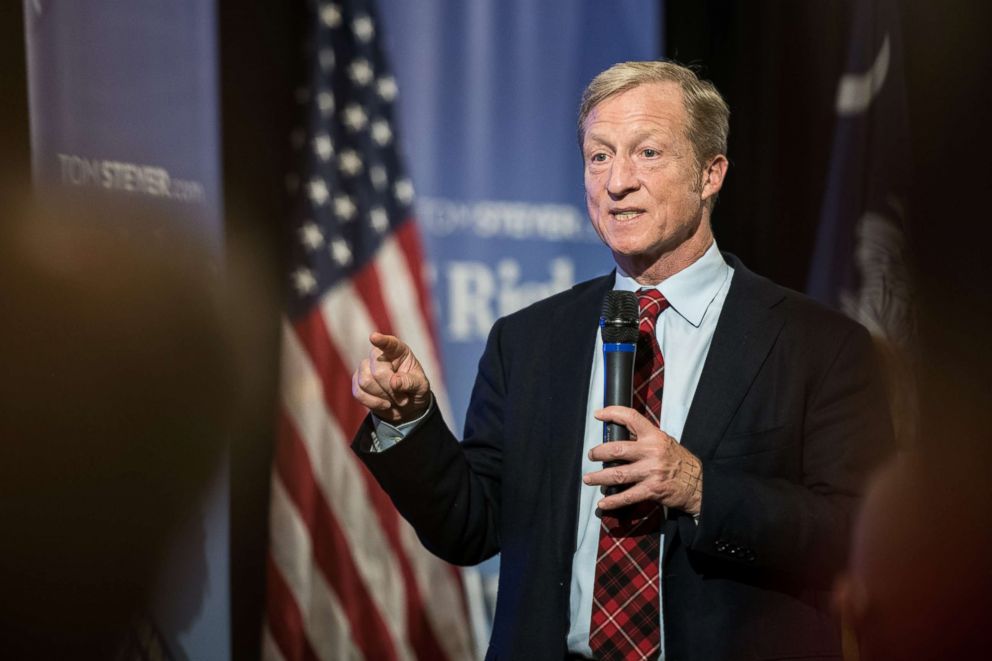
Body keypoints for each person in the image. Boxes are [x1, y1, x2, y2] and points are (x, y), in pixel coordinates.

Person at [351, 61, 893, 660]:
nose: (617, 182)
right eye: (599, 156)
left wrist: (698, 488)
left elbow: (861, 537)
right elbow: (470, 527)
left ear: (711, 174)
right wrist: (410, 423)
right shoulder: (528, 340)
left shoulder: (818, 344)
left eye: (648, 153)